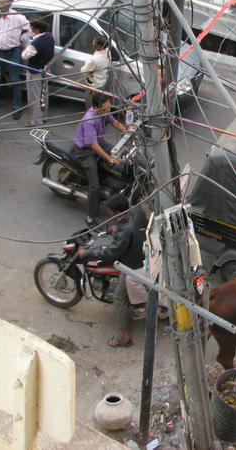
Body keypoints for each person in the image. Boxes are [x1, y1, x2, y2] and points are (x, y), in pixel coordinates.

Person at [78, 196, 148, 348]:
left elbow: (112, 252)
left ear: (116, 211)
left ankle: (123, 336)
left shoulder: (126, 231)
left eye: (110, 211)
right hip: (142, 251)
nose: (109, 213)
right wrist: (116, 228)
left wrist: (88, 253)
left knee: (118, 297)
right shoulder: (135, 212)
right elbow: (128, 228)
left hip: (131, 263)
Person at [73, 93, 127, 225]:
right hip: (86, 151)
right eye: (105, 109)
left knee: (121, 153)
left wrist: (129, 132)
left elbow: (114, 122)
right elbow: (94, 146)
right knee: (94, 186)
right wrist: (109, 159)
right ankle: (91, 216)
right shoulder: (89, 120)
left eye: (109, 108)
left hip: (98, 142)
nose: (108, 111)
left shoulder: (104, 112)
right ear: (96, 107)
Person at [0, 0, 31, 119]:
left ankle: (17, 106)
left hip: (12, 51)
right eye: (0, 5)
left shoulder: (18, 18)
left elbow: (29, 31)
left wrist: (20, 39)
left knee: (15, 79)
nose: (2, 7)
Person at [21, 20, 55, 127]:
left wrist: (29, 44)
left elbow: (24, 55)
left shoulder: (36, 44)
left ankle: (36, 121)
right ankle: (43, 115)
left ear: (36, 29)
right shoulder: (49, 36)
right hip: (45, 69)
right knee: (44, 94)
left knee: (34, 97)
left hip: (35, 72)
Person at [82, 35, 111, 109]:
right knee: (100, 105)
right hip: (102, 82)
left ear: (99, 46)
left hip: (93, 86)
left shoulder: (95, 60)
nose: (92, 44)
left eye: (94, 43)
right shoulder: (107, 51)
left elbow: (84, 71)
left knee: (91, 107)